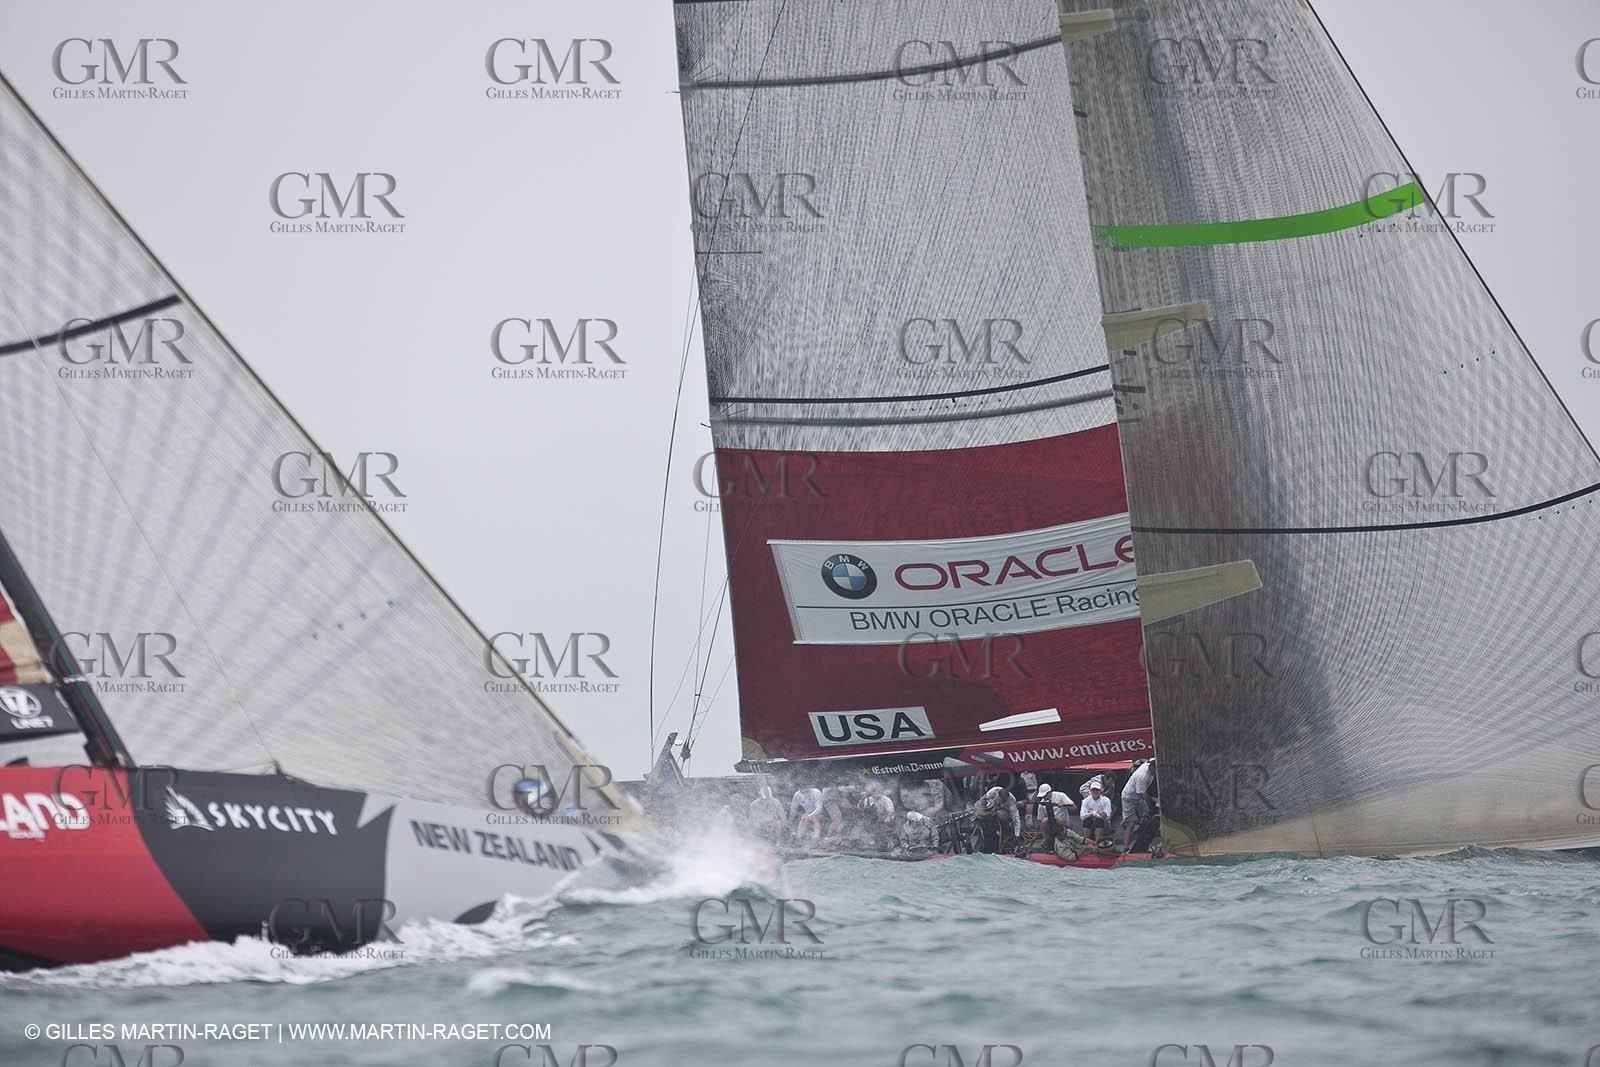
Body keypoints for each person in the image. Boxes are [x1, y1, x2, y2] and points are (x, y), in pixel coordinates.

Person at [1121, 758, 1156, 854]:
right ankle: (1126, 848)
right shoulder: (1143, 776)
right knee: (1131, 823)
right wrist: (1151, 805)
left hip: (1139, 797)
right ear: (1151, 768)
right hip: (1129, 797)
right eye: (1155, 770)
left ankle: (1144, 844)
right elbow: (1141, 794)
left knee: (1148, 820)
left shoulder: (1150, 765)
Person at [974, 785, 1021, 854]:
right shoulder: (993, 791)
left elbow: (1016, 819)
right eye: (1002, 800)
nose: (1003, 802)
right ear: (998, 795)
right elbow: (982, 801)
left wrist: (1017, 835)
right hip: (991, 809)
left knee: (1001, 814)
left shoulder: (1012, 801)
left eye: (1004, 801)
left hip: (1003, 813)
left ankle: (1001, 829)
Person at [1080, 780, 1112, 848]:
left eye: (1097, 790)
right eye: (1093, 790)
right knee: (1087, 821)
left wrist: (1103, 815)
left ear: (1100, 791)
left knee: (1099, 821)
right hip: (1090, 819)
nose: (1095, 792)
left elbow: (1108, 816)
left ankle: (1097, 843)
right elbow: (1082, 816)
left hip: (1102, 821)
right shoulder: (1086, 800)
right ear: (1091, 791)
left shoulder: (1106, 800)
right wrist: (1094, 813)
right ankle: (1087, 844)